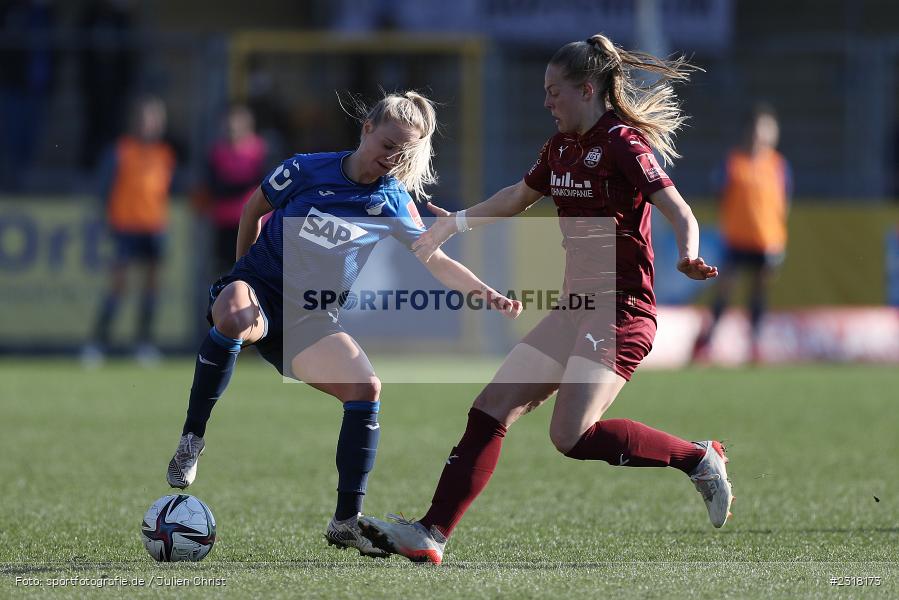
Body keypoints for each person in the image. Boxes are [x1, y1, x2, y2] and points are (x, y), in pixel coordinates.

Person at [358, 34, 732, 565]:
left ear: (587, 90)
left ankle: (696, 458)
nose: (547, 101)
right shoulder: (559, 148)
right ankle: (430, 533)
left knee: (570, 436)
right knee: (490, 408)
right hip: (575, 309)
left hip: (622, 311)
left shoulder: (623, 143)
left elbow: (679, 209)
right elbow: (516, 197)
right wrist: (454, 224)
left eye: (555, 92)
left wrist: (689, 253)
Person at [164, 91, 522, 558]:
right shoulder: (305, 169)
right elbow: (253, 210)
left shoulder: (392, 200)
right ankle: (192, 439)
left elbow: (435, 260)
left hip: (311, 319)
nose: (392, 157)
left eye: (403, 152)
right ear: (366, 128)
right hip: (260, 290)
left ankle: (345, 522)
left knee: (366, 388)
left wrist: (486, 293)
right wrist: (240, 277)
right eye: (387, 144)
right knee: (234, 315)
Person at [692, 104, 790, 364]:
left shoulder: (778, 165)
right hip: (736, 239)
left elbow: (783, 202)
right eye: (759, 128)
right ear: (749, 130)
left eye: (769, 129)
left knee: (758, 292)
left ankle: (755, 343)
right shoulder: (733, 162)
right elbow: (719, 194)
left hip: (767, 241)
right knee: (725, 290)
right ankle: (707, 342)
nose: (763, 135)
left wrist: (778, 238)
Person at [81, 96, 176, 366]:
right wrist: (108, 222)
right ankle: (97, 344)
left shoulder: (165, 154)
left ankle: (144, 344)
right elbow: (103, 190)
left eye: (155, 119)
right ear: (136, 121)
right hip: (125, 227)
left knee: (151, 287)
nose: (150, 124)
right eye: (145, 118)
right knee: (118, 286)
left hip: (154, 227)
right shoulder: (120, 150)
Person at [194, 105, 268, 278]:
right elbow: (212, 185)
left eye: (235, 126)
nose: (231, 130)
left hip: (253, 222)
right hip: (224, 221)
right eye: (228, 126)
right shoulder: (217, 152)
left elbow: (265, 182)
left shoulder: (259, 150)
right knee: (225, 271)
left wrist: (231, 184)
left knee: (253, 271)